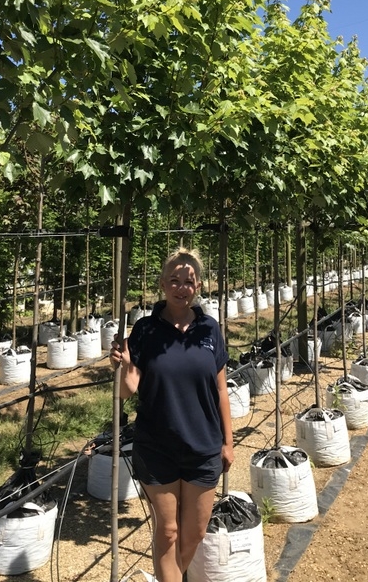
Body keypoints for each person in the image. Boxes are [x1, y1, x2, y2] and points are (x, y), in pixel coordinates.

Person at [110, 248, 234, 582]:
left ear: (199, 286)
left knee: (194, 533)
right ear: (163, 284)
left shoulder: (209, 329)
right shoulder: (145, 331)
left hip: (203, 446)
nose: (182, 288)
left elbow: (221, 390)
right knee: (167, 532)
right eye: (174, 280)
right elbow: (127, 390)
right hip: (157, 446)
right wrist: (123, 365)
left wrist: (228, 442)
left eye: (189, 282)